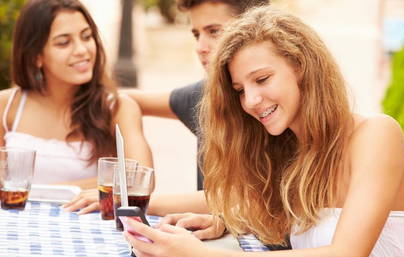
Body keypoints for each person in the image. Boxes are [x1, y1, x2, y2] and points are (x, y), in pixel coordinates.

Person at [123, 7, 404, 257]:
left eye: (262, 79)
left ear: (301, 67)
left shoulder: (376, 135)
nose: (250, 101)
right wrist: (221, 220)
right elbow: (238, 202)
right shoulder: (289, 151)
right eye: (239, 90)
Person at [66, 0, 270, 215]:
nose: (200, 47)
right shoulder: (205, 94)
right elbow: (126, 99)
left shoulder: (271, 103)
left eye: (214, 31)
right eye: (196, 35)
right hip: (213, 235)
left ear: (253, 28)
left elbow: (243, 197)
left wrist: (128, 200)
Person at [0, 0, 153, 199]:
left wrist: (35, 190)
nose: (82, 50)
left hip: (88, 226)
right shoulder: (7, 106)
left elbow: (141, 181)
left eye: (87, 37)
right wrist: (100, 184)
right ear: (36, 56)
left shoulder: (118, 108)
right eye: (64, 42)